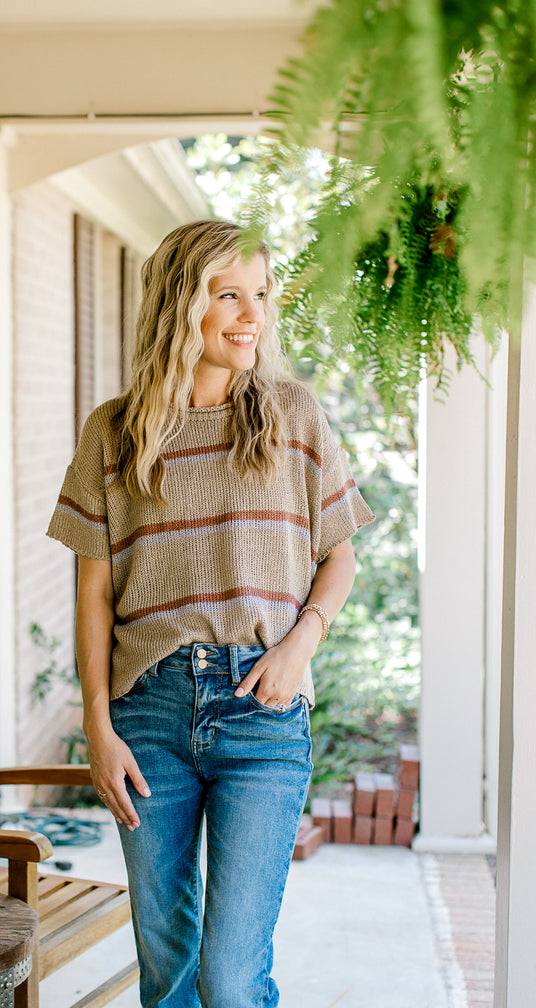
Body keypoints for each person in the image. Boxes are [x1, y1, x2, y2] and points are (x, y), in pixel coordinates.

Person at [47, 219, 374, 1008]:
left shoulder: (291, 416)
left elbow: (341, 555)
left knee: (229, 980)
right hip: (148, 716)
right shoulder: (114, 433)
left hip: (261, 711)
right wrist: (97, 723)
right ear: (178, 305)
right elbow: (94, 594)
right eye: (229, 294)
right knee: (167, 978)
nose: (251, 314)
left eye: (260, 295)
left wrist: (303, 643)